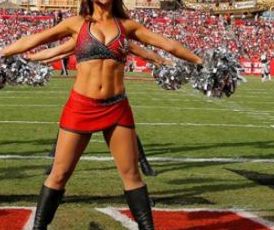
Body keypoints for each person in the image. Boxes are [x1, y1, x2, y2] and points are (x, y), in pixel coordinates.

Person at [0, 0, 203, 230]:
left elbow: (167, 44)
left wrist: (200, 62)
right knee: (59, 174)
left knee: (132, 174)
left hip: (117, 107)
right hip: (81, 106)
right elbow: (36, 39)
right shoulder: (76, 24)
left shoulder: (127, 26)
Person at [28, 37, 171, 177]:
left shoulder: (118, 39)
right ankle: (55, 162)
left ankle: (144, 164)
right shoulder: (84, 37)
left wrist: (165, 62)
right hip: (85, 97)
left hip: (113, 98)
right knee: (68, 128)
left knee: (128, 135)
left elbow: (143, 53)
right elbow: (62, 51)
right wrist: (36, 59)